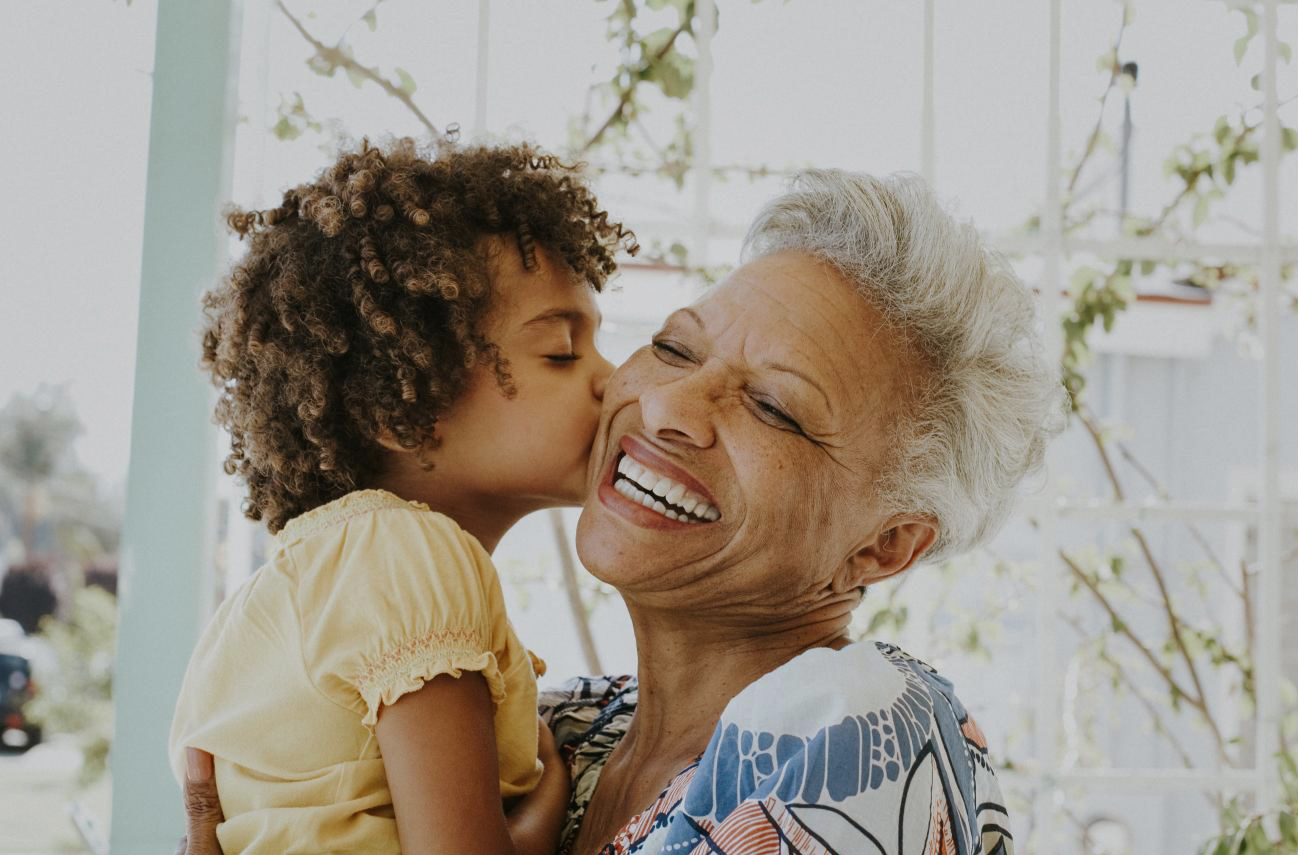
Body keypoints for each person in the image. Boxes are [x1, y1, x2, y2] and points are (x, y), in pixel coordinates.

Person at [182, 169, 1060, 854]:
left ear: (885, 545)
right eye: (675, 346)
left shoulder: (854, 730)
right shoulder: (555, 725)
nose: (669, 404)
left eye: (775, 408)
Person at [169, 139, 634, 855]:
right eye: (562, 353)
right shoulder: (414, 556)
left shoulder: (296, 587)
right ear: (401, 406)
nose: (613, 378)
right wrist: (547, 813)